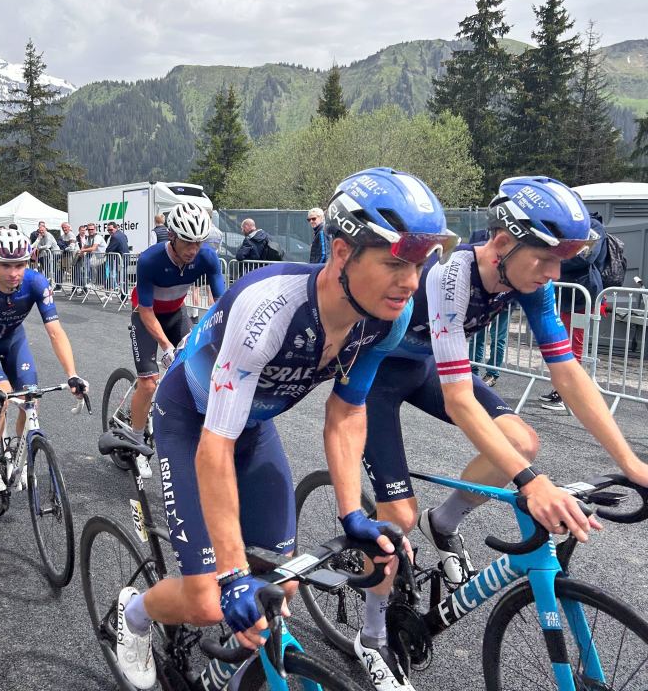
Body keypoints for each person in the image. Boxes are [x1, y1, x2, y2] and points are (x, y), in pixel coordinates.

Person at [114, 168, 457, 690]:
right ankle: (135, 614)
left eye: (417, 264)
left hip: (250, 425)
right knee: (210, 598)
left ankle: (225, 665)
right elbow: (215, 447)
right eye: (393, 262)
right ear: (341, 253)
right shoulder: (270, 309)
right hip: (191, 422)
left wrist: (352, 514)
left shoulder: (389, 316)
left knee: (283, 581)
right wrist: (230, 574)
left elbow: (346, 413)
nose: (410, 282)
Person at [359, 176, 648, 687]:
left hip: (425, 365)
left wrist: (632, 463)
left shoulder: (529, 280)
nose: (555, 272)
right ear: (502, 242)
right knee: (393, 521)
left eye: (564, 259)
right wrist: (531, 484)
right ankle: (371, 635)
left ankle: (443, 522)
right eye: (546, 257)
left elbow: (568, 373)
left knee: (522, 440)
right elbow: (459, 401)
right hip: (374, 378)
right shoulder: (450, 274)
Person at [0, 229, 88, 494]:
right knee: (2, 398)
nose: (14, 272)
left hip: (14, 340)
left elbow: (55, 332)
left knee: (32, 399)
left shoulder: (37, 283)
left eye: (20, 264)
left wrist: (72, 374)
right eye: (6, 265)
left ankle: (17, 450)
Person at [125, 203, 225, 478]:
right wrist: (167, 347)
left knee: (197, 372)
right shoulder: (150, 260)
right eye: (187, 242)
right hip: (146, 316)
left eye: (198, 242)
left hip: (176, 314)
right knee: (148, 382)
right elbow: (146, 311)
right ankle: (135, 442)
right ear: (172, 236)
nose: (193, 249)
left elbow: (223, 304)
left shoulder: (207, 258)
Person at [539, 212, 608, 410]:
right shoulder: (569, 226)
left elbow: (587, 257)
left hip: (582, 294)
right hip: (568, 293)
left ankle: (569, 395)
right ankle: (561, 390)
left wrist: (553, 260)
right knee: (563, 342)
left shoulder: (593, 227)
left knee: (575, 345)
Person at [465, 228, 507, 387]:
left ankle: (492, 373)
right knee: (476, 336)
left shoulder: (514, 238)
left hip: (503, 298)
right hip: (480, 298)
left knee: (498, 337)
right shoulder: (477, 234)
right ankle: (473, 370)